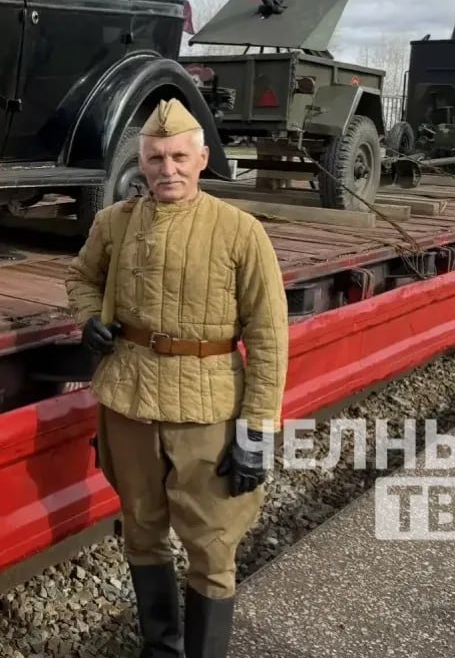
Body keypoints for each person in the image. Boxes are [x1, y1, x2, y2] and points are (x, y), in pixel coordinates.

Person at [64, 97, 288, 657]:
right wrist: (89, 317)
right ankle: (159, 650)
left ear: (203, 157)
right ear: (140, 161)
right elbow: (81, 277)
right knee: (141, 529)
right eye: (157, 157)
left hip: (207, 407)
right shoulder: (113, 223)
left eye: (180, 157)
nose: (169, 169)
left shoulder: (239, 231)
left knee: (212, 545)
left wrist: (256, 432)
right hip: (129, 400)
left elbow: (267, 336)